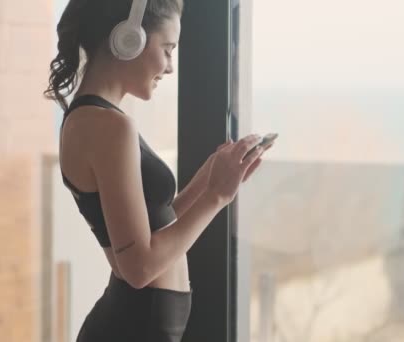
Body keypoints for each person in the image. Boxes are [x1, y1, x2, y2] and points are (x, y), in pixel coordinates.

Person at [44, 0, 274, 340]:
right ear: (128, 39)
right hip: (135, 328)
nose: (170, 67)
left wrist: (210, 179)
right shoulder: (107, 127)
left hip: (138, 325)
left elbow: (151, 227)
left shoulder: (95, 119)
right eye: (167, 49)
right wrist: (216, 195)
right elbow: (139, 268)